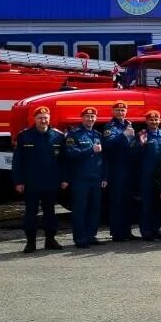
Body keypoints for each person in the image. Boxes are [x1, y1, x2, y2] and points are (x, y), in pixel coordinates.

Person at [12, 106, 67, 252]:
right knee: (31, 213)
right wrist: (18, 181)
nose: (43, 121)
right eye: (40, 118)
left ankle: (50, 240)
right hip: (32, 183)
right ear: (34, 119)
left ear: (49, 119)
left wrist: (64, 179)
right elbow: (17, 161)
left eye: (45, 118)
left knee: (50, 213)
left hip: (51, 182)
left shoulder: (58, 136)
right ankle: (31, 242)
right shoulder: (24, 136)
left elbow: (63, 160)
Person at [65, 106, 107, 249]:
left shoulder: (97, 135)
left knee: (94, 208)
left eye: (93, 117)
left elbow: (102, 158)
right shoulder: (73, 135)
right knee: (80, 209)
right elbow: (71, 154)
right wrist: (90, 150)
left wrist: (104, 177)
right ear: (82, 118)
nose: (90, 119)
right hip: (80, 178)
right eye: (87, 117)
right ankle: (80, 238)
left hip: (96, 178)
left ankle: (91, 235)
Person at [101, 100, 136, 242]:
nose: (120, 113)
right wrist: (124, 135)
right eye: (118, 110)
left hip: (128, 168)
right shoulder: (110, 126)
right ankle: (117, 233)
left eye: (123, 110)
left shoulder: (128, 124)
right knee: (117, 201)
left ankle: (127, 231)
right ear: (113, 111)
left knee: (128, 201)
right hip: (116, 168)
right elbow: (108, 145)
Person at [134, 110, 161, 241]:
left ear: (159, 121)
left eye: (156, 120)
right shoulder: (141, 135)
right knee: (146, 205)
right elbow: (134, 155)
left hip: (160, 177)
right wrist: (140, 144)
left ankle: (157, 230)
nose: (154, 122)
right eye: (151, 120)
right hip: (147, 176)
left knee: (159, 205)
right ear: (147, 121)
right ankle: (147, 233)